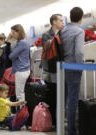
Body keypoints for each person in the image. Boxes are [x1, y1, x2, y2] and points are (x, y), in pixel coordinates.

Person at [61, 7, 84, 135]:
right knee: (73, 98)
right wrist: (81, 66)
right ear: (81, 18)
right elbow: (79, 52)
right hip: (74, 67)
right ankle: (71, 130)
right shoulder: (79, 31)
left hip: (62, 68)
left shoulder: (63, 30)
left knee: (64, 98)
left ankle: (63, 126)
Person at [41, 14, 63, 127]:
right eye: (60, 20)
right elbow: (47, 49)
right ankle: (53, 121)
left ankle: (59, 119)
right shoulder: (46, 35)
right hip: (50, 70)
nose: (62, 22)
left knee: (60, 95)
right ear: (54, 22)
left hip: (60, 69)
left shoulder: (62, 33)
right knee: (52, 95)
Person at [9, 24, 30, 102]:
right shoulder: (23, 42)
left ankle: (22, 113)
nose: (13, 35)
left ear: (19, 32)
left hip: (21, 70)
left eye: (14, 33)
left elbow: (11, 56)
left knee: (19, 94)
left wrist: (11, 43)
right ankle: (22, 111)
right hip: (23, 69)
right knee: (21, 93)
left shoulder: (21, 43)